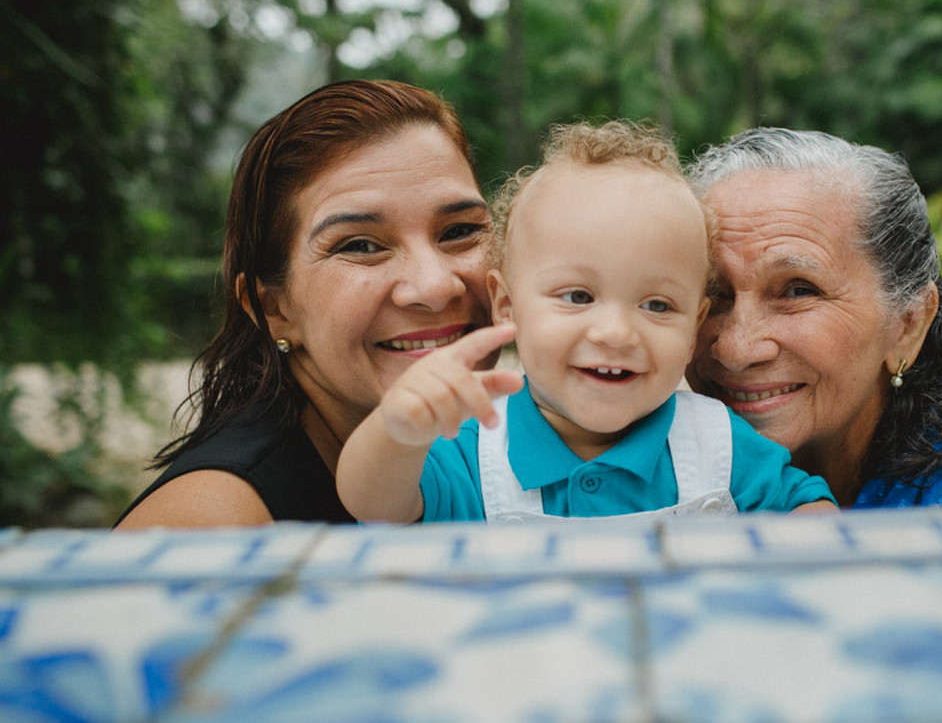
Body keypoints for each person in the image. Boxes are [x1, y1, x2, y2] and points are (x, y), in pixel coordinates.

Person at [336, 121, 837, 523]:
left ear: (694, 329)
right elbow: (375, 505)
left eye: (657, 306)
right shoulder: (477, 444)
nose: (616, 333)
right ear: (506, 306)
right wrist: (396, 431)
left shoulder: (717, 443)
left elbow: (807, 508)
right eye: (578, 296)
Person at [115, 79, 498, 528]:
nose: (435, 287)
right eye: (360, 245)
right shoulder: (215, 521)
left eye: (459, 231)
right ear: (273, 308)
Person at [684, 128, 942, 508]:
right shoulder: (660, 478)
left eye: (798, 290)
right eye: (713, 291)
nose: (735, 348)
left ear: (907, 325)